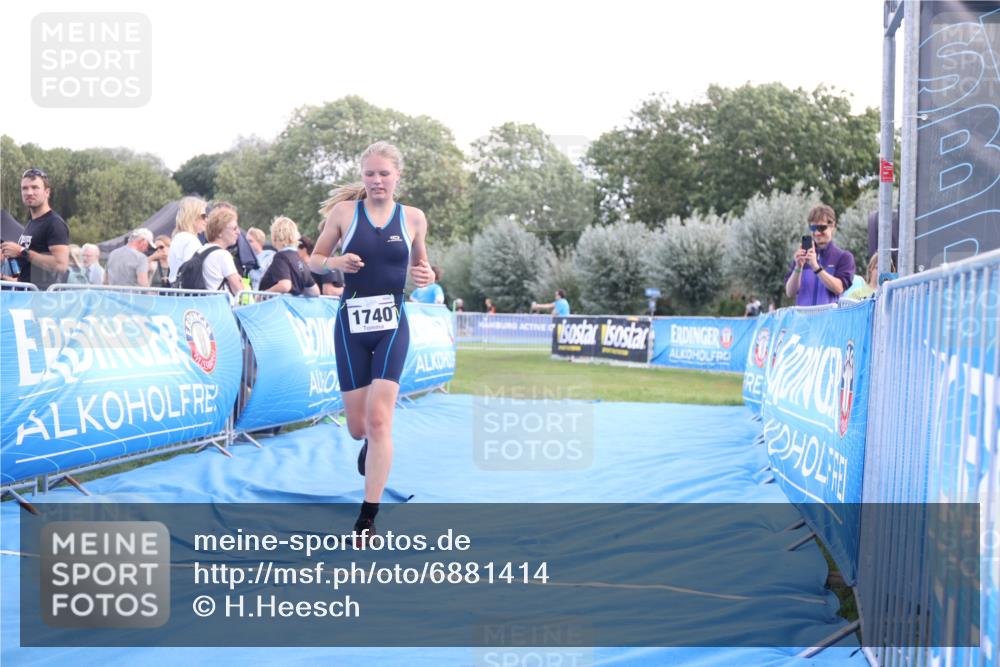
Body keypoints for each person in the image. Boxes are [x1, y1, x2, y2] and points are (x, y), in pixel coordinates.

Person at [308, 141, 434, 541]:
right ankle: (368, 446)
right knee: (359, 428)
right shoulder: (344, 213)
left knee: (381, 420)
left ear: (398, 176)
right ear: (362, 177)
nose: (377, 180)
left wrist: (427, 276)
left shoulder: (413, 218)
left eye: (384, 173)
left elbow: (421, 266)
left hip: (392, 323)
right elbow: (313, 260)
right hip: (351, 325)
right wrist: (335, 263)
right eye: (369, 174)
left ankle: (367, 517)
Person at [1, 168, 69, 289]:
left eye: (35, 187)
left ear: (47, 192)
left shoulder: (54, 223)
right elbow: (30, 273)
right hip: (26, 295)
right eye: (25, 188)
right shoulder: (31, 223)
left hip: (41, 301)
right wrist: (6, 278)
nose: (29, 192)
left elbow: (61, 265)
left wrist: (22, 252)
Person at [784, 204, 856, 306]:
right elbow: (790, 292)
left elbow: (839, 288)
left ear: (832, 227)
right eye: (813, 228)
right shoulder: (802, 257)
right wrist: (798, 267)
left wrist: (816, 267)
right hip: (803, 320)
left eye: (822, 228)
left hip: (830, 320)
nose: (817, 233)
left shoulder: (844, 257)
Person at [259, 217, 319, 296]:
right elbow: (315, 292)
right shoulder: (299, 259)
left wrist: (263, 295)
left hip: (276, 306)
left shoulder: (280, 257)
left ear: (275, 236)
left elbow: (285, 285)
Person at [197, 204, 244, 296]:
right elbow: (239, 290)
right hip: (219, 305)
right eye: (234, 228)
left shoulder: (201, 250)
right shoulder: (223, 255)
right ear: (219, 232)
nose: (238, 232)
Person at [167, 196, 208, 285]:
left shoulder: (179, 237)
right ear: (192, 216)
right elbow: (191, 272)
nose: (206, 220)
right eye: (203, 216)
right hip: (186, 293)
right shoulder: (190, 240)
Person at [246, 226, 275, 291]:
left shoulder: (270, 257)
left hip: (263, 294)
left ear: (259, 242)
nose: (247, 244)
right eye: (246, 241)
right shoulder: (244, 258)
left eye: (250, 241)